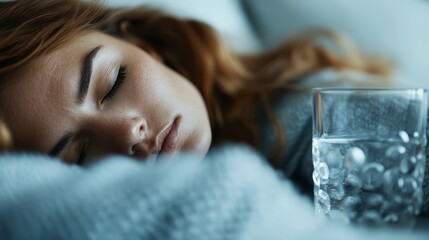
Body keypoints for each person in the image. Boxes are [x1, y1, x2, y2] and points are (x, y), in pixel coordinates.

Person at [1, 1, 429, 239]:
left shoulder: (319, 111)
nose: (128, 132)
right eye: (79, 154)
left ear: (148, 47)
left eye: (113, 84)